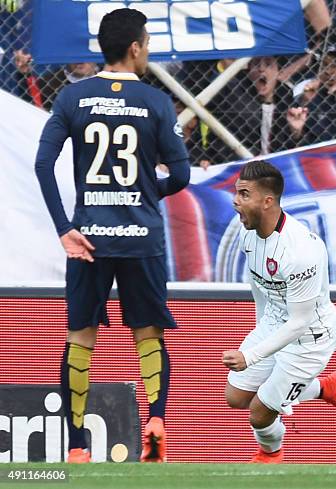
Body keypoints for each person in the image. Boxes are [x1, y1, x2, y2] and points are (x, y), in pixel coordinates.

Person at [34, 8, 190, 463]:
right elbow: (180, 174)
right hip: (141, 234)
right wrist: (146, 193)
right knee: (149, 332)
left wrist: (65, 229)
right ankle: (156, 419)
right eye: (148, 43)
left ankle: (78, 446)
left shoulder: (72, 97)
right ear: (136, 47)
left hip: (88, 240)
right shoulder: (157, 102)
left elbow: (43, 165)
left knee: (81, 337)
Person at [222, 160, 336, 463]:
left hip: (310, 338)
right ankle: (327, 387)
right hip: (275, 324)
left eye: (244, 194)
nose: (235, 200)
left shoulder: (301, 251)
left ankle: (271, 455)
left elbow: (300, 322)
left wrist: (251, 356)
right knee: (236, 397)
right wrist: (260, 335)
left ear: (267, 201)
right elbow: (260, 290)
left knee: (259, 413)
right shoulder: (248, 233)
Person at [14, 50, 99, 111]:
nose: (80, 60)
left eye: (86, 54)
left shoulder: (108, 80)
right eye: (75, 54)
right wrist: (24, 75)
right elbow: (32, 109)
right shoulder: (49, 83)